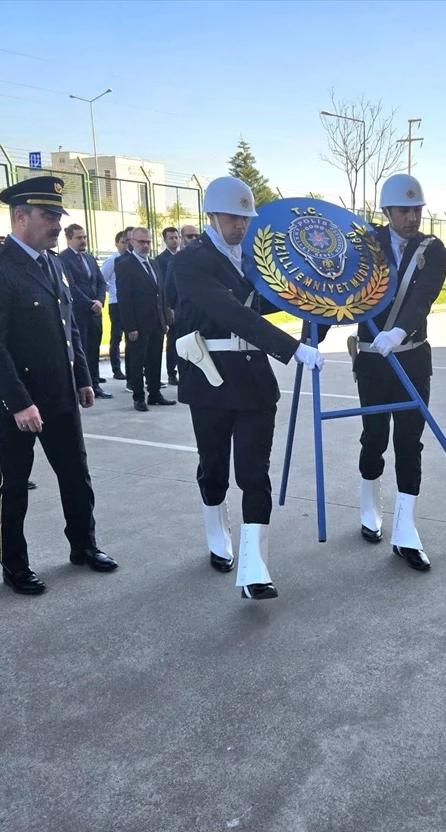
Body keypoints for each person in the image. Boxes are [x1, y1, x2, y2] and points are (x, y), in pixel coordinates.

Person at [174, 176, 324, 600]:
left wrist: (316, 301)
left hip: (255, 380)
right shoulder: (191, 261)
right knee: (215, 466)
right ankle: (216, 532)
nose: (241, 226)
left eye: (245, 218)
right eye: (233, 217)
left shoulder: (254, 260)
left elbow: (276, 300)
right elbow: (228, 311)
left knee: (255, 473)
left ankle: (254, 567)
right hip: (211, 379)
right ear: (211, 216)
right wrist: (291, 349)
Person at [0, 175, 117, 595]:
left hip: (61, 394)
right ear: (20, 217)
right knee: (11, 486)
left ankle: (83, 547)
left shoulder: (51, 261)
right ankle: (14, 566)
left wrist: (84, 378)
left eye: (57, 216)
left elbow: (67, 327)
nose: (56, 224)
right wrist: (19, 403)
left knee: (76, 477)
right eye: (48, 216)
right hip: (16, 400)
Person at [352, 173, 446, 571]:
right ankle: (368, 508)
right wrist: (312, 333)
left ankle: (405, 531)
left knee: (410, 443)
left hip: (410, 356)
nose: (412, 217)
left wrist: (396, 331)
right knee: (374, 437)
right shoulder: (364, 246)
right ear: (386, 211)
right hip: (373, 359)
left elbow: (423, 297)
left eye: (417, 209)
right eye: (404, 210)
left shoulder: (433, 249)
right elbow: (338, 292)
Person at [115, 227, 172, 411]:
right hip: (138, 324)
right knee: (138, 361)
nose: (146, 245)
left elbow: (161, 293)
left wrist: (165, 319)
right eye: (141, 242)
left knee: (155, 359)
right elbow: (125, 298)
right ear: (132, 242)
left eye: (148, 242)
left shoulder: (154, 264)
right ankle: (139, 397)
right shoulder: (125, 265)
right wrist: (130, 326)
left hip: (157, 322)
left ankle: (155, 393)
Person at [60, 223, 111, 399]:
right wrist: (90, 303)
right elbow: (71, 286)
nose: (83, 241)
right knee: (80, 349)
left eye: (85, 237)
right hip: (79, 313)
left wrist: (99, 301)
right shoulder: (63, 259)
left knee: (93, 348)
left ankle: (95, 384)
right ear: (68, 239)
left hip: (95, 313)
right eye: (79, 238)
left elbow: (101, 281)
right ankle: (81, 385)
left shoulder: (89, 258)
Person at [100, 228, 133, 382]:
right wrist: (113, 290)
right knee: (116, 336)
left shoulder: (132, 259)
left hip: (130, 303)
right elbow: (102, 279)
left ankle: (132, 368)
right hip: (116, 302)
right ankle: (116, 368)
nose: (126, 245)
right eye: (123, 242)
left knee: (132, 336)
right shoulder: (113, 260)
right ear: (117, 244)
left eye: (128, 242)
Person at [157, 225, 182, 384]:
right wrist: (168, 308)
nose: (174, 240)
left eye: (176, 237)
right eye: (171, 238)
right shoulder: (161, 260)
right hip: (172, 305)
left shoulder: (184, 256)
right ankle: (171, 372)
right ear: (165, 240)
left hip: (185, 303)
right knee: (172, 340)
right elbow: (163, 286)